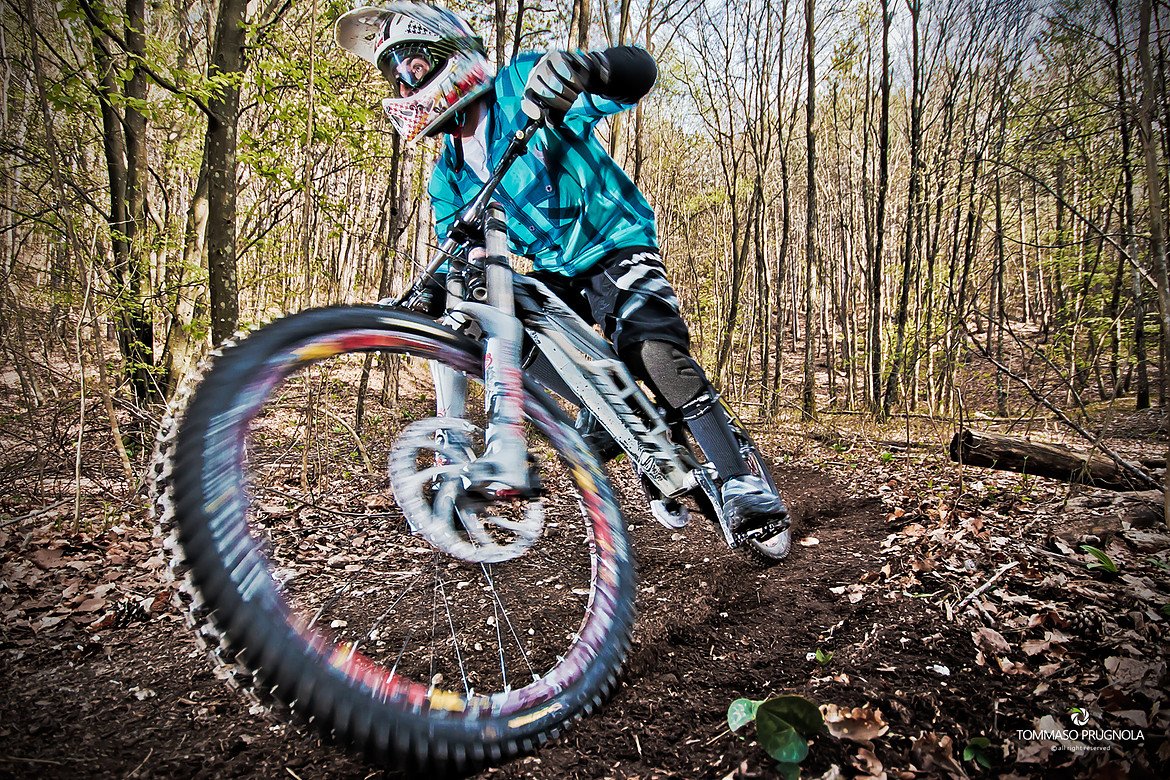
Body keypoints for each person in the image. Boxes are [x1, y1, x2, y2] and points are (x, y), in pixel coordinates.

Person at [336, 2, 788, 534]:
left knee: (651, 347)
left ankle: (738, 478)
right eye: (395, 74)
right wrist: (430, 291)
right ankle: (607, 410)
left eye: (413, 65)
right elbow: (464, 253)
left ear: (449, 54)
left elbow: (637, 75)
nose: (405, 81)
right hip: (554, 266)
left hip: (615, 243)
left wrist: (587, 69)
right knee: (501, 319)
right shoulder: (448, 177)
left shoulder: (520, 86)